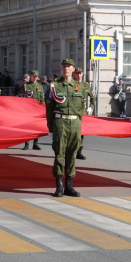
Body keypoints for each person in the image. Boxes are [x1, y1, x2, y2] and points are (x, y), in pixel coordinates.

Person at [46, 58, 83, 197]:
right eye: (64, 66)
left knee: (72, 154)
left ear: (74, 69)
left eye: (69, 66)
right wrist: (50, 127)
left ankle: (69, 185)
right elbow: (49, 109)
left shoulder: (79, 86)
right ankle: (59, 186)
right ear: (61, 69)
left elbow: (81, 108)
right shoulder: (54, 86)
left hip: (75, 123)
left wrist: (79, 124)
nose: (66, 69)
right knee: (59, 154)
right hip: (60, 123)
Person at [73, 67, 94, 160]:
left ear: (82, 74)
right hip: (73, 111)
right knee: (73, 132)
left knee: (82, 132)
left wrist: (91, 107)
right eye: (77, 73)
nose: (79, 75)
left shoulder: (86, 85)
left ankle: (79, 152)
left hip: (83, 112)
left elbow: (92, 97)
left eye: (80, 73)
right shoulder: (72, 84)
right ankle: (71, 150)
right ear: (74, 74)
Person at [23, 70, 44, 150]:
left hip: (37, 109)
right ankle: (26, 144)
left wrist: (43, 107)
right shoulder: (26, 86)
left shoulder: (40, 85)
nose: (35, 78)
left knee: (37, 127)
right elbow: (22, 96)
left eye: (36, 76)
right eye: (33, 76)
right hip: (28, 108)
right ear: (30, 76)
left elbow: (42, 97)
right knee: (27, 127)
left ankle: (35, 143)